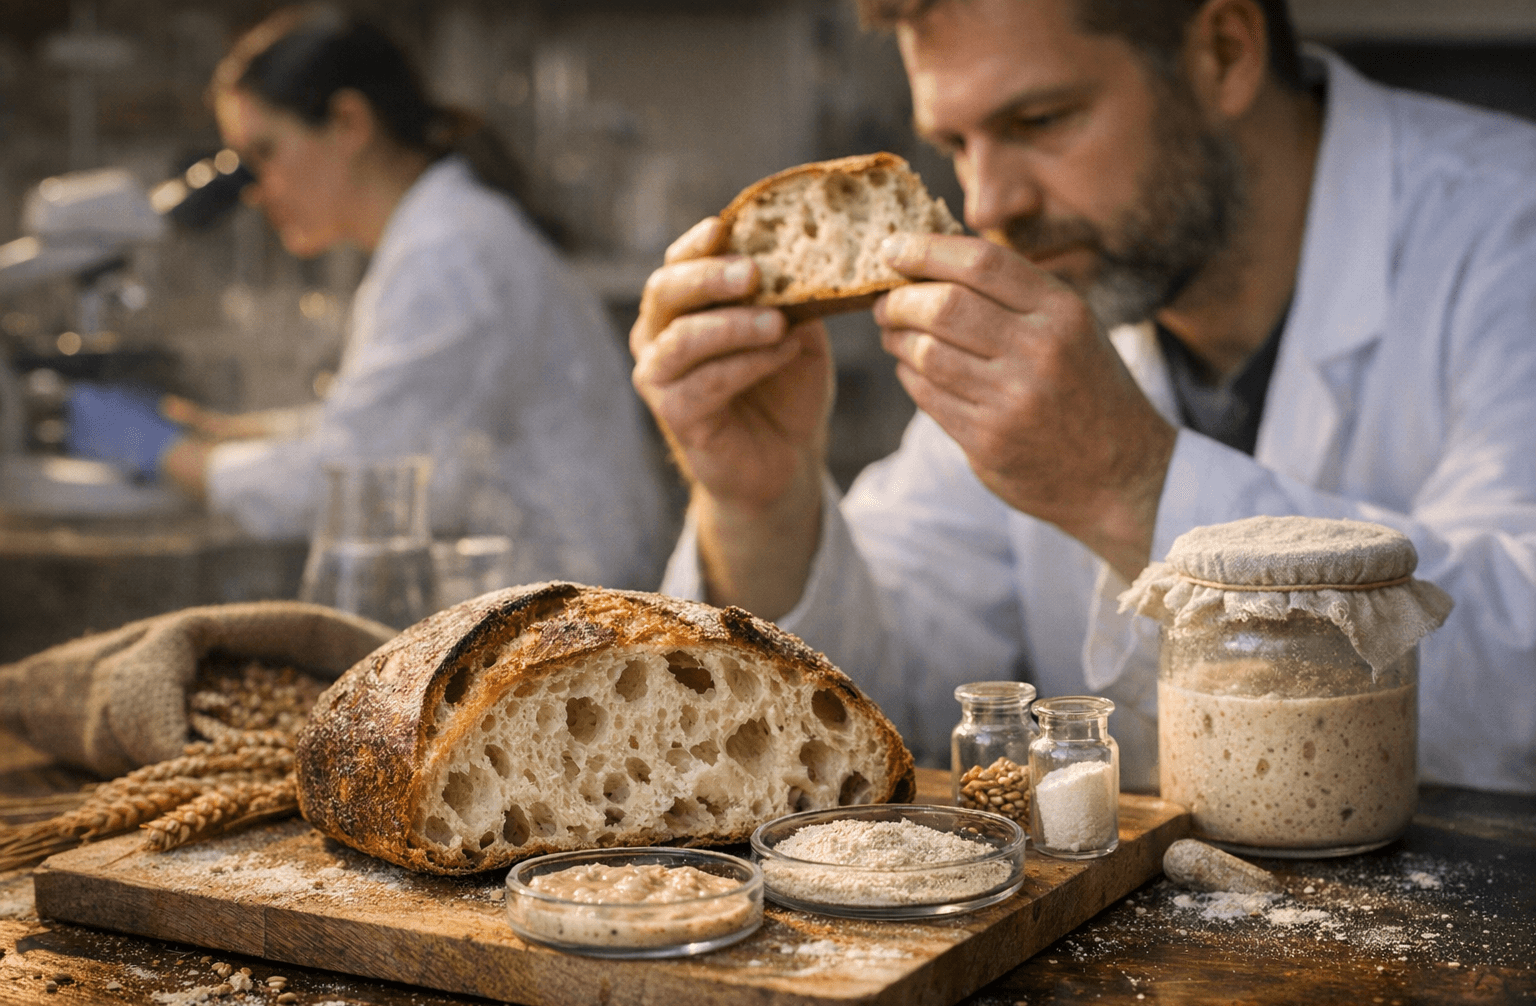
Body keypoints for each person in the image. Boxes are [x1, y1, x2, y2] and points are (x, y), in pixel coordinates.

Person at [629, 0, 1536, 793]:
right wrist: (764, 500)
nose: (990, 204)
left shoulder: (1507, 233)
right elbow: (886, 698)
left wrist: (1130, 481)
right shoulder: (1075, 278)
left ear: (1224, 52)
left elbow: (1520, 687)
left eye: (1040, 119)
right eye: (956, 144)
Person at [67, 6, 672, 591]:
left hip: (573, 622)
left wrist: (173, 458)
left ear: (349, 124)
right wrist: (227, 432)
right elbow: (388, 424)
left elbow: (367, 480)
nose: (253, 191)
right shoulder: (444, 228)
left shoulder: (449, 251)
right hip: (556, 599)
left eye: (264, 153)